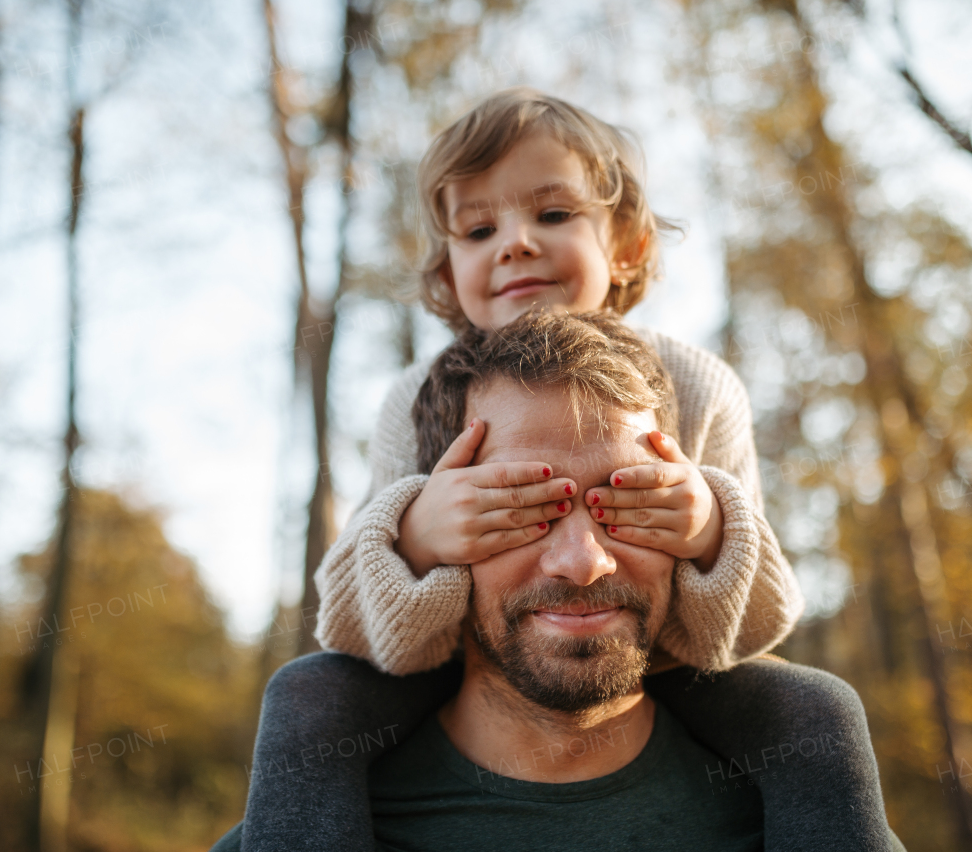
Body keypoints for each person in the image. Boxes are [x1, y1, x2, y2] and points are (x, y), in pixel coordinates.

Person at [227, 89, 894, 850]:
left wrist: (710, 532)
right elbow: (365, 635)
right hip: (472, 666)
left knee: (814, 706)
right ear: (448, 273)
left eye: (552, 215)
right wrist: (415, 537)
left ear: (629, 246)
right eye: (480, 228)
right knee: (309, 691)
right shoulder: (415, 398)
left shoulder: (697, 384)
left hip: (662, 671)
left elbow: (748, 631)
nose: (515, 243)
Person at [210, 313, 900, 851]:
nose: (583, 561)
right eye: (521, 508)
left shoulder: (810, 815)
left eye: (631, 504)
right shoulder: (300, 822)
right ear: (433, 524)